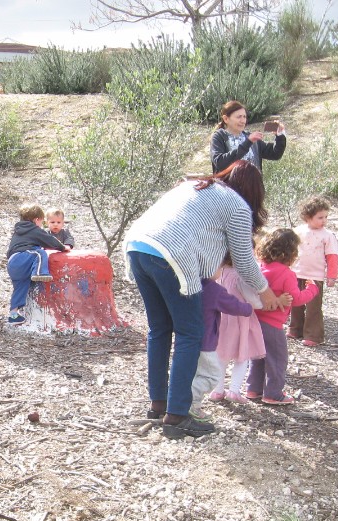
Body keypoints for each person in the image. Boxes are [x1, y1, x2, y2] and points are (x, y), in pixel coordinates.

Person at [123, 160, 287, 439]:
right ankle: (177, 415)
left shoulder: (197, 186)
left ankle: (158, 404)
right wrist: (265, 292)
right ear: (255, 191)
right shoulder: (237, 206)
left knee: (160, 330)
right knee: (191, 333)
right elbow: (245, 262)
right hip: (170, 255)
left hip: (138, 246)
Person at [247, 229, 319, 405]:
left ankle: (253, 389)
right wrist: (312, 289)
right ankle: (273, 393)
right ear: (291, 253)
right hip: (272, 324)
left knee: (258, 356)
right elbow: (296, 299)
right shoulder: (287, 273)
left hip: (256, 320)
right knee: (277, 359)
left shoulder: (261, 268)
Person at [189, 268, 253, 417]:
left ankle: (187, 402)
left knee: (194, 373)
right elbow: (235, 306)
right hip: (206, 342)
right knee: (210, 376)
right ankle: (187, 402)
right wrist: (250, 307)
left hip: (187, 339)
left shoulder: (191, 285)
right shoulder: (213, 289)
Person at [210, 257, 267, 404]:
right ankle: (234, 391)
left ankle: (217, 390)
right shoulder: (241, 275)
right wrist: (264, 303)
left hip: (223, 317)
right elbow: (252, 300)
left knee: (222, 354)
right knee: (242, 356)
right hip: (241, 317)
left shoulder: (220, 271)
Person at [289, 196, 338, 347]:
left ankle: (313, 335)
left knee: (313, 307)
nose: (324, 220)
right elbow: (290, 251)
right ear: (308, 217)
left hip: (315, 276)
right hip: (296, 273)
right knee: (295, 303)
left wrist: (331, 276)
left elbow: (332, 257)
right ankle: (295, 329)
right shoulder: (297, 231)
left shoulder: (327, 236)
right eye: (320, 217)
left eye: (326, 217)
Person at [6, 203, 67, 326]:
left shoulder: (18, 231)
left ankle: (13, 314)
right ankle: (40, 272)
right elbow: (49, 240)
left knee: (20, 288)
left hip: (13, 263)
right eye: (42, 221)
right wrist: (62, 247)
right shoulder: (33, 229)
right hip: (22, 257)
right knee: (39, 253)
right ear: (36, 220)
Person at [210, 100, 286, 174]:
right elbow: (220, 163)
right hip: (227, 186)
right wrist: (248, 142)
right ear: (226, 119)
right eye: (239, 117)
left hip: (252, 186)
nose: (243, 121)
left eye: (244, 117)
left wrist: (280, 136)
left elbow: (275, 154)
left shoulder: (250, 137)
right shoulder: (219, 137)